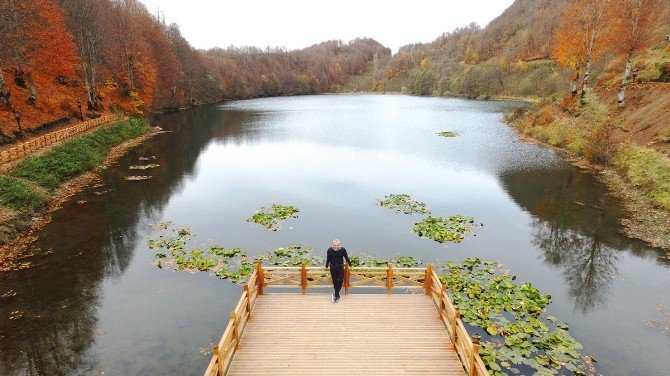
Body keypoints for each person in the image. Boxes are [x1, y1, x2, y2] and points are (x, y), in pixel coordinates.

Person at [325, 239, 351, 303]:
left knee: (340, 280)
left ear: (339, 245)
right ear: (332, 245)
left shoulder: (343, 250)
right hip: (332, 267)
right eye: (334, 245)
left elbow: (346, 258)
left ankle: (336, 293)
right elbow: (328, 259)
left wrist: (350, 265)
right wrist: (326, 266)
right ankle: (337, 294)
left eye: (337, 245)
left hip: (340, 267)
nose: (336, 246)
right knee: (335, 281)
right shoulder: (329, 250)